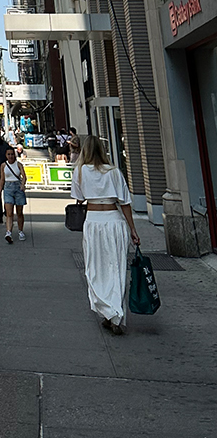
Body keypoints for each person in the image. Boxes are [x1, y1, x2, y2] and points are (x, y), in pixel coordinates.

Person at [75, 134, 138, 334]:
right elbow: (125, 203)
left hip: (93, 222)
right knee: (116, 268)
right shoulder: (114, 172)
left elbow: (79, 199)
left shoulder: (80, 172)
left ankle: (107, 311)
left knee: (95, 268)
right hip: (114, 221)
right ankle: (115, 315)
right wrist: (133, 230)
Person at [2, 141, 29, 243]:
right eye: (8, 154)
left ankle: (20, 231)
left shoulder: (19, 164)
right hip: (8, 188)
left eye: (12, 154)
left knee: (19, 212)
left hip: (18, 188)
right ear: (6, 155)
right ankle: (8, 232)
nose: (10, 156)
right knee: (9, 213)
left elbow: (24, 176)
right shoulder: (3, 165)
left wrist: (22, 185)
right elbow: (2, 179)